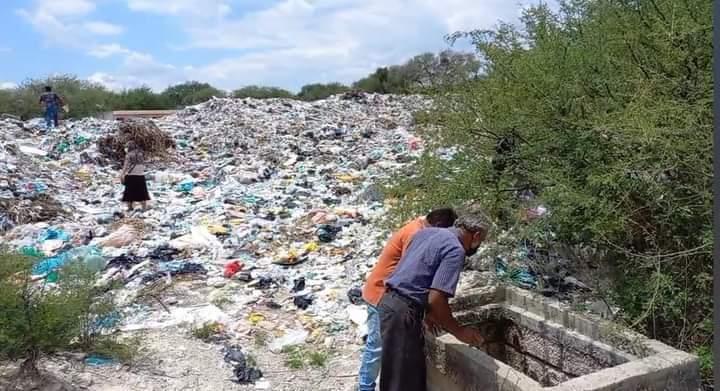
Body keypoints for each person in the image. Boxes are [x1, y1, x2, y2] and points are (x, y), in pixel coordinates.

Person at [378, 205, 491, 391]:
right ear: (476, 236)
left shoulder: (425, 234)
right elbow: (436, 298)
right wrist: (459, 332)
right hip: (403, 312)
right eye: (481, 240)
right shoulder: (455, 249)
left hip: (390, 303)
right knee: (401, 382)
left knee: (398, 375)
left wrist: (428, 313)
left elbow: (415, 274)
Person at [357, 208, 458, 391]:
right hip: (381, 292)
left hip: (386, 292)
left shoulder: (418, 228)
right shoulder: (416, 234)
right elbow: (413, 275)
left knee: (384, 348)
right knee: (377, 347)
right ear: (439, 227)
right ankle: (365, 387)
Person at [120, 141, 150, 212]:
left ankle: (130, 207)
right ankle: (144, 207)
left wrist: (122, 175)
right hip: (140, 175)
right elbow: (144, 164)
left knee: (129, 192)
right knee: (142, 192)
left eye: (126, 147)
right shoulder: (140, 153)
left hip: (131, 175)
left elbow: (126, 166)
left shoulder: (129, 155)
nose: (126, 148)